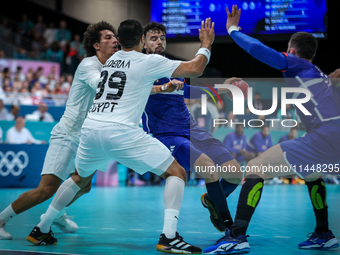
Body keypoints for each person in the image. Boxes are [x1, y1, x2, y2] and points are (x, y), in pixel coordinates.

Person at [26, 18, 215, 254]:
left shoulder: (110, 61)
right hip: (121, 132)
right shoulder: (148, 61)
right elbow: (195, 68)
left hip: (91, 130)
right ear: (141, 40)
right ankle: (169, 237)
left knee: (78, 179)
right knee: (176, 172)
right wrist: (206, 43)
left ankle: (41, 228)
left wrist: (159, 88)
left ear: (120, 41)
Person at [204, 5, 340, 254]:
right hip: (334, 139)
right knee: (312, 175)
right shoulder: (319, 75)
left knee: (256, 167)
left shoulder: (297, 65)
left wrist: (233, 30)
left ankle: (237, 235)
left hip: (325, 136)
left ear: (291, 51)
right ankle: (323, 232)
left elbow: (260, 50)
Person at [0, 21, 118, 241]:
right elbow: (100, 84)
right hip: (67, 134)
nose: (115, 40)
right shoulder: (88, 65)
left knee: (83, 186)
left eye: (115, 37)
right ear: (96, 45)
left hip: (87, 139)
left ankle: (54, 214)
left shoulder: (113, 67)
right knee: (46, 189)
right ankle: (1, 219)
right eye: (108, 37)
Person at [142, 21, 242, 233]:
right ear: (143, 42)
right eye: (153, 38)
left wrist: (223, 88)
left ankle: (211, 199)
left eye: (162, 38)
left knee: (235, 173)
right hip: (168, 135)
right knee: (208, 167)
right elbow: (137, 90)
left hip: (192, 129)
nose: (159, 42)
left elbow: (188, 91)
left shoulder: (173, 67)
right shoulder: (142, 67)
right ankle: (229, 229)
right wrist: (162, 88)